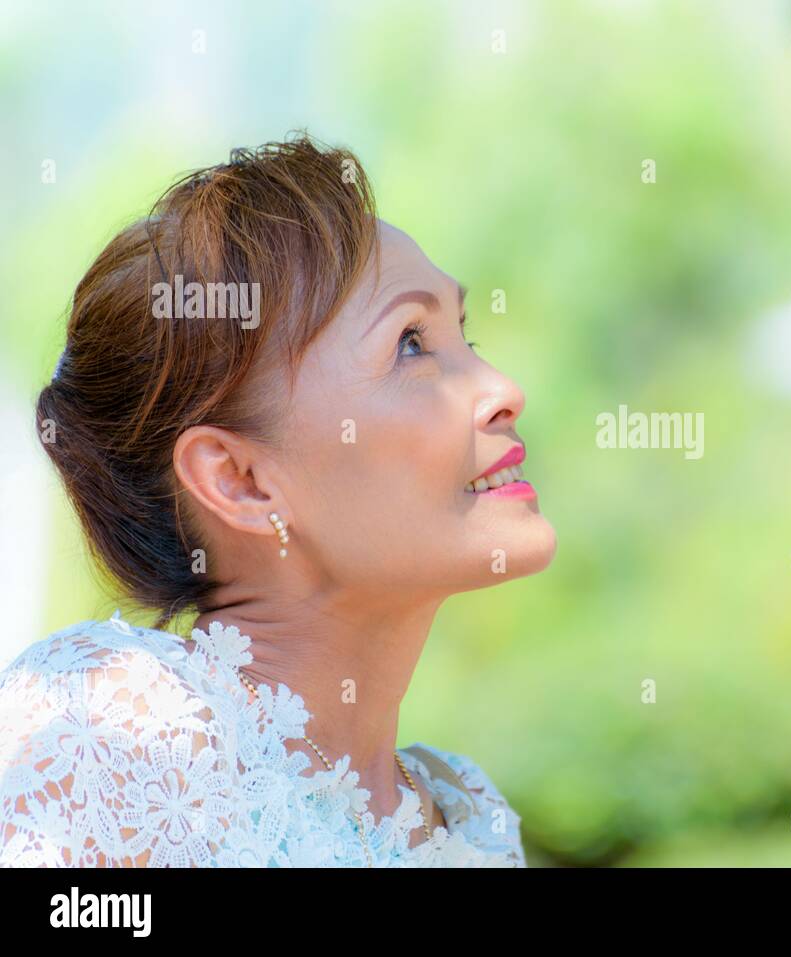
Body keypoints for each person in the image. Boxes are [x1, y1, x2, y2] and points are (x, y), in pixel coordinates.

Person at [0, 136, 556, 867]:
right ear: (239, 480)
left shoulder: (470, 819)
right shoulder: (103, 736)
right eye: (411, 343)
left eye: (465, 333)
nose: (501, 388)